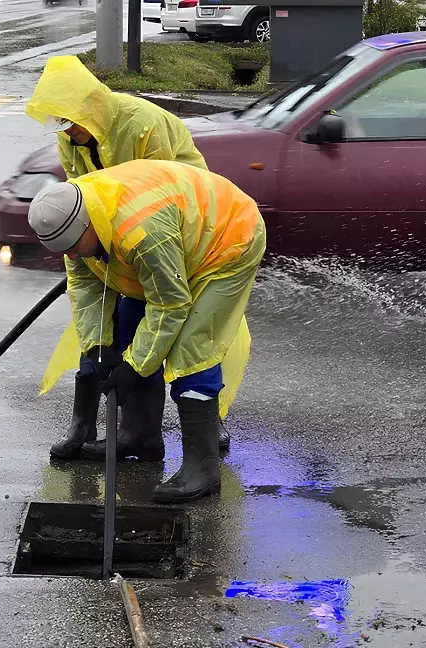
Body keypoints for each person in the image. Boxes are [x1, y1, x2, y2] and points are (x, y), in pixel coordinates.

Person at [28, 160, 266, 504]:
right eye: (63, 250)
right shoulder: (74, 223)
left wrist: (134, 367)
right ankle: (140, 437)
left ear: (88, 225)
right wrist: (101, 345)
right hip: (174, 240)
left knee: (191, 348)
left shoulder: (141, 231)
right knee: (126, 326)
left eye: (74, 247)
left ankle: (203, 468)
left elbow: (170, 304)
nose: (70, 255)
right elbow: (86, 286)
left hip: (226, 240)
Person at [25, 55, 216, 464]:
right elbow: (80, 197)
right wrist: (86, 252)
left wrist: (126, 251)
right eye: (58, 122)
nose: (67, 131)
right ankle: (99, 425)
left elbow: (167, 192)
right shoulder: (70, 138)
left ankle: (206, 421)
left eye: (69, 120)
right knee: (100, 326)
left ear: (89, 108)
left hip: (172, 231)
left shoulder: (143, 124)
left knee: (180, 328)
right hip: (108, 233)